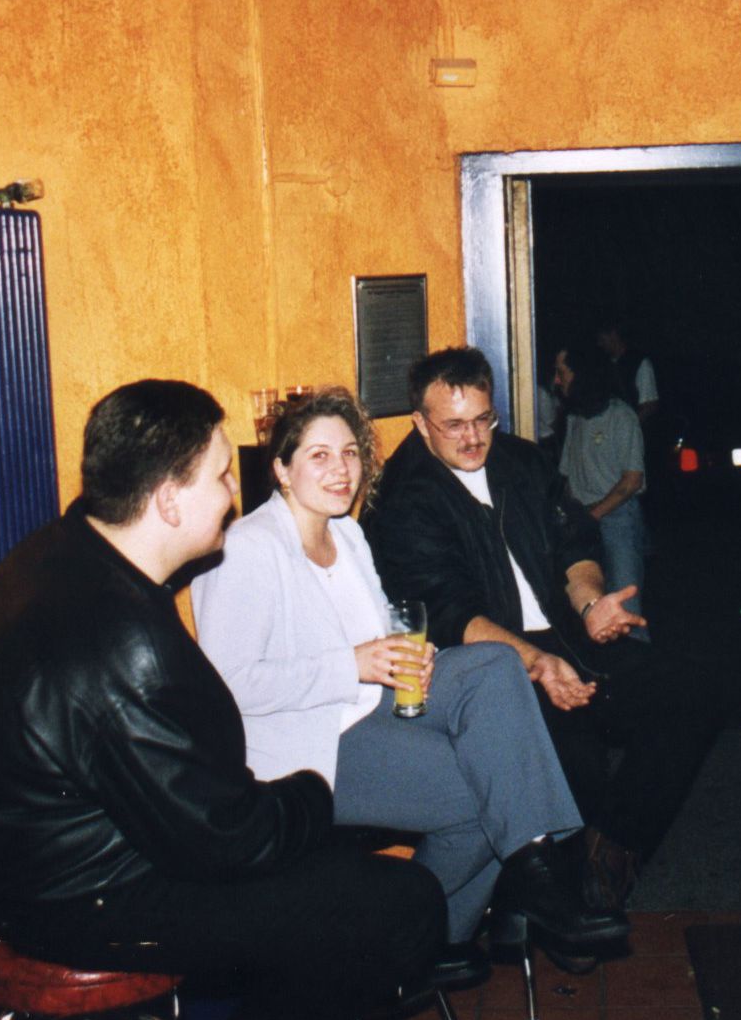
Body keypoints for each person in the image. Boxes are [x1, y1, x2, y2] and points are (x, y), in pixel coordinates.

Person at [0, 379, 444, 1020]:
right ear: (169, 500)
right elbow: (228, 838)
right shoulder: (118, 641)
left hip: (50, 864)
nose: (231, 497)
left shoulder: (67, 550)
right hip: (83, 898)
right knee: (395, 905)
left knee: (328, 913)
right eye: (219, 477)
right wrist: (313, 794)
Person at [190, 388, 625, 980]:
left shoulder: (346, 535)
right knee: (482, 796)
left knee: (495, 665)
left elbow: (380, 639)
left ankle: (526, 869)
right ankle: (417, 935)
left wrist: (415, 658)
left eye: (350, 453)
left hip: (369, 704)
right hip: (307, 745)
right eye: (319, 455)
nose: (341, 470)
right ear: (282, 470)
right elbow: (230, 686)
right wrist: (352, 663)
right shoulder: (248, 547)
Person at [363, 347, 729, 910]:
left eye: (483, 419)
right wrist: (535, 663)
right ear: (420, 422)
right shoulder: (403, 497)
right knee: (571, 755)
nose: (473, 438)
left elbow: (574, 540)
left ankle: (612, 851)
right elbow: (453, 615)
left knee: (692, 690)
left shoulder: (520, 460)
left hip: (569, 637)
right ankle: (568, 900)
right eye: (454, 425)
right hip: (493, 663)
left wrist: (590, 604)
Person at [555, 343, 649, 641]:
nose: (556, 380)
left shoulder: (621, 416)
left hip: (617, 520)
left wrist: (591, 515)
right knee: (589, 610)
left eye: (561, 373)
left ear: (582, 373)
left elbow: (631, 481)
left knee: (624, 609)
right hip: (582, 521)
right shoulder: (575, 419)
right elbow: (566, 476)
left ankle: (637, 661)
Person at [595, 318, 659, 423]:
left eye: (602, 339)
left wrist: (628, 426)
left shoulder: (639, 362)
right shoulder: (602, 365)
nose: (599, 344)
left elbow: (649, 405)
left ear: (613, 335)